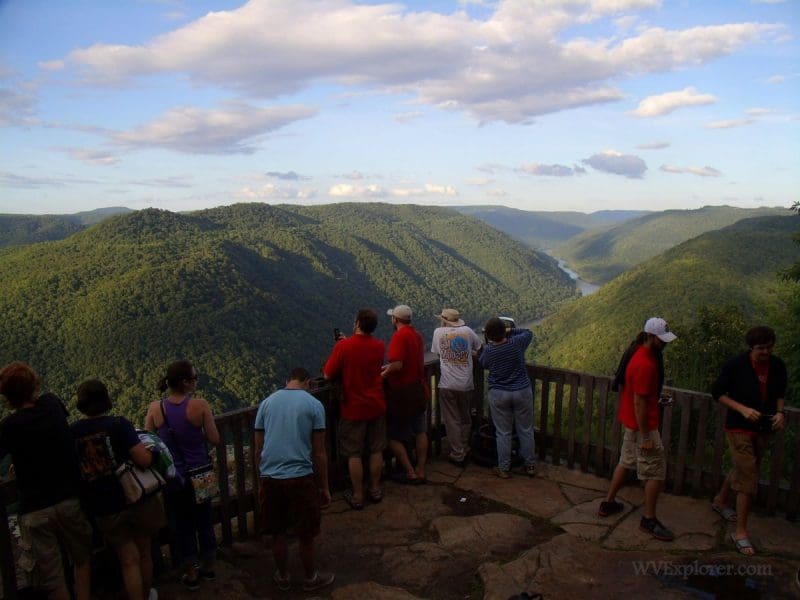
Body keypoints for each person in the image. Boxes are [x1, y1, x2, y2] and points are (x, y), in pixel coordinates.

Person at [0, 362, 93, 600]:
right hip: (68, 499)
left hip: (35, 510)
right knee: (82, 560)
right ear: (35, 384)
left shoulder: (8, 427)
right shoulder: (52, 405)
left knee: (52, 577)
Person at [71, 379, 166, 600]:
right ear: (106, 400)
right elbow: (142, 459)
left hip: (103, 505)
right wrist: (154, 453)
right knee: (143, 553)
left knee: (127, 559)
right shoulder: (118, 425)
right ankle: (146, 594)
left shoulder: (73, 432)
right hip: (135, 498)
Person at [254, 367, 334, 593]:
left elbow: (258, 447)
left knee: (277, 532)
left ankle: (283, 576)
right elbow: (319, 452)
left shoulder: (267, 403)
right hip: (300, 476)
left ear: (286, 381)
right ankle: (311, 578)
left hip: (270, 476)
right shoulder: (313, 405)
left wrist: (260, 477)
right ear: (307, 383)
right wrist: (324, 487)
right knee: (305, 533)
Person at [710, 325, 787, 556]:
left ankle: (721, 501)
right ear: (751, 347)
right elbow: (718, 392)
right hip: (738, 426)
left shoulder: (777, 366)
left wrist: (781, 412)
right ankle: (741, 532)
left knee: (745, 468)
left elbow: (781, 393)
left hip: (763, 427)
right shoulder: (736, 365)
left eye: (769, 347)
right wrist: (742, 409)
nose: (766, 352)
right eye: (761, 348)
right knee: (749, 476)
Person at [144, 360, 220, 591]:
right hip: (201, 474)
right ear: (185, 383)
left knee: (182, 525)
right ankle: (208, 567)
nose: (196, 381)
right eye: (194, 378)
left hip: (174, 478)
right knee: (204, 521)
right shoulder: (200, 406)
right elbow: (215, 439)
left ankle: (190, 572)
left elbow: (149, 440)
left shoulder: (156, 408)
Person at [599, 317, 677, 542]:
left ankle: (608, 503)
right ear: (650, 336)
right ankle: (649, 519)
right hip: (644, 426)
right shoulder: (645, 363)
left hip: (632, 423)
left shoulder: (638, 355)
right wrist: (646, 436)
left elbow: (638, 395)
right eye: (662, 340)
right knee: (655, 472)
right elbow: (639, 403)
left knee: (626, 462)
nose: (665, 344)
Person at [323, 308, 386, 510]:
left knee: (354, 453)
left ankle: (358, 495)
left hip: (353, 408)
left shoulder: (344, 347)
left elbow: (327, 374)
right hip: (376, 405)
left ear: (357, 322)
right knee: (376, 449)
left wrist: (341, 344)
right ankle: (375, 489)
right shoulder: (379, 346)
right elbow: (364, 355)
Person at [477, 318, 536, 479]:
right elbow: (528, 332)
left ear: (488, 335)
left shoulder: (489, 351)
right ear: (503, 331)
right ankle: (530, 465)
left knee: (503, 432)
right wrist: (509, 331)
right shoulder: (516, 343)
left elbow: (483, 363)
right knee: (525, 429)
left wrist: (492, 339)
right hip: (522, 391)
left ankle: (503, 468)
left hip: (499, 393)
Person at [382, 304, 429, 484]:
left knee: (393, 436)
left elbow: (397, 365)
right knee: (420, 431)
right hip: (418, 388)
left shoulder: (399, 337)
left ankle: (410, 472)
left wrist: (382, 375)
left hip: (402, 392)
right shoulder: (417, 335)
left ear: (395, 319)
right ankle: (421, 469)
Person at [430, 308, 482, 467]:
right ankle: (465, 447)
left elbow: (438, 354)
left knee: (452, 420)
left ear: (443, 320)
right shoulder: (467, 331)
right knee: (465, 416)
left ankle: (457, 453)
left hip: (447, 384)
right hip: (466, 383)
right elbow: (479, 348)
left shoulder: (438, 332)